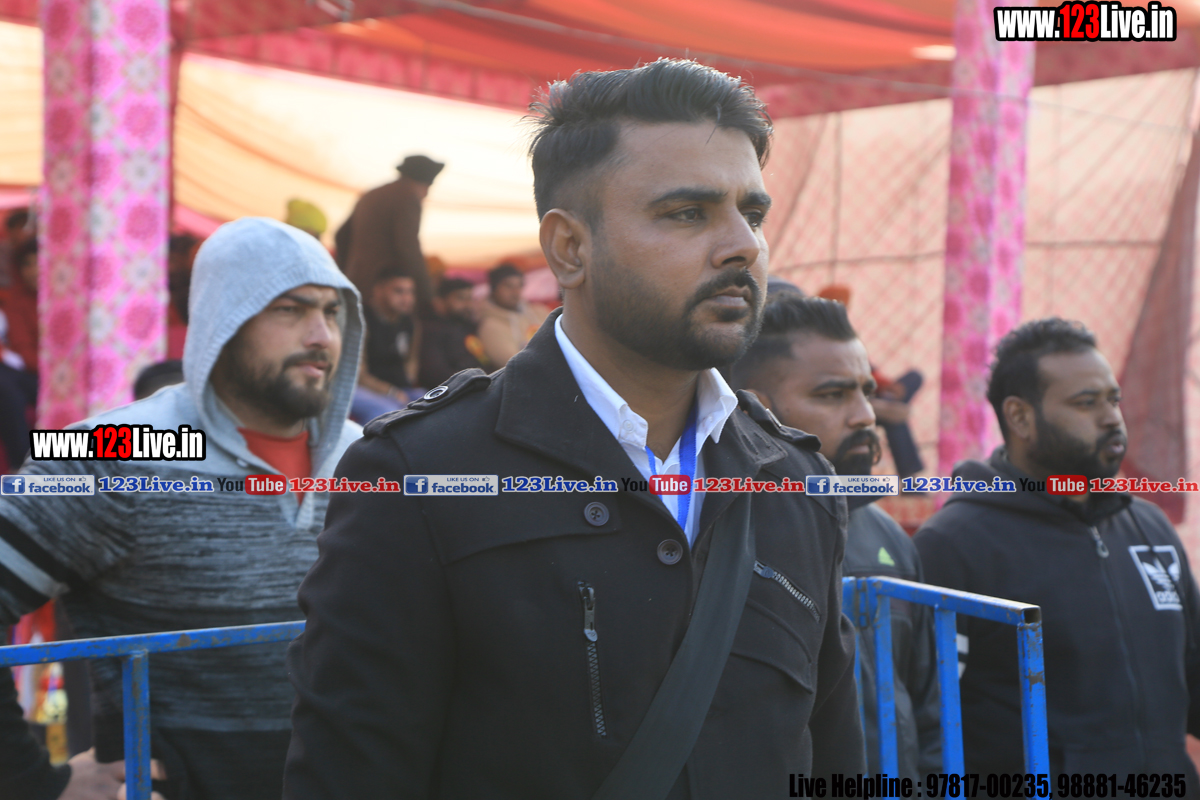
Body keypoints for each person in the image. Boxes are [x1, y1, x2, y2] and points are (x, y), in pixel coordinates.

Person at [283, 58, 864, 800]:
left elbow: (835, 754)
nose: (741, 246)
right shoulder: (419, 476)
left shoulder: (797, 484)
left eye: (751, 214)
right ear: (569, 248)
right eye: (687, 213)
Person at [0, 217, 364, 800]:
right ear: (223, 320)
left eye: (333, 311)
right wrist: (37, 784)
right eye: (289, 310)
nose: (322, 335)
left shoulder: (366, 454)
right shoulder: (118, 448)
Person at [914, 318, 1200, 779]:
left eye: (1113, 399)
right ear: (1020, 417)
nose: (1111, 418)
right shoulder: (954, 545)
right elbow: (924, 720)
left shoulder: (1149, 528)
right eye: (1086, 403)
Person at [731, 293, 941, 778]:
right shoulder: (715, 539)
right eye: (832, 395)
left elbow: (929, 711)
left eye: (867, 391)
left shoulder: (889, 538)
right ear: (756, 408)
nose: (866, 415)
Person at [335, 155, 444, 310]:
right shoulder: (408, 197)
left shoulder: (371, 194)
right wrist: (427, 295)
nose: (426, 194)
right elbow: (408, 247)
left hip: (356, 283)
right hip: (386, 290)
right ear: (425, 183)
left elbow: (341, 235)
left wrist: (346, 271)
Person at [477, 262, 549, 367]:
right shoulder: (490, 326)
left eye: (519, 286)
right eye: (508, 286)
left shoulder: (539, 311)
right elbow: (517, 365)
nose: (515, 292)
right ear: (494, 289)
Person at [417, 277, 485, 388]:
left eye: (470, 299)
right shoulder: (430, 331)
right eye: (461, 298)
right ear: (440, 301)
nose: (468, 305)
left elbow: (482, 360)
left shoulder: (467, 327)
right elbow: (436, 375)